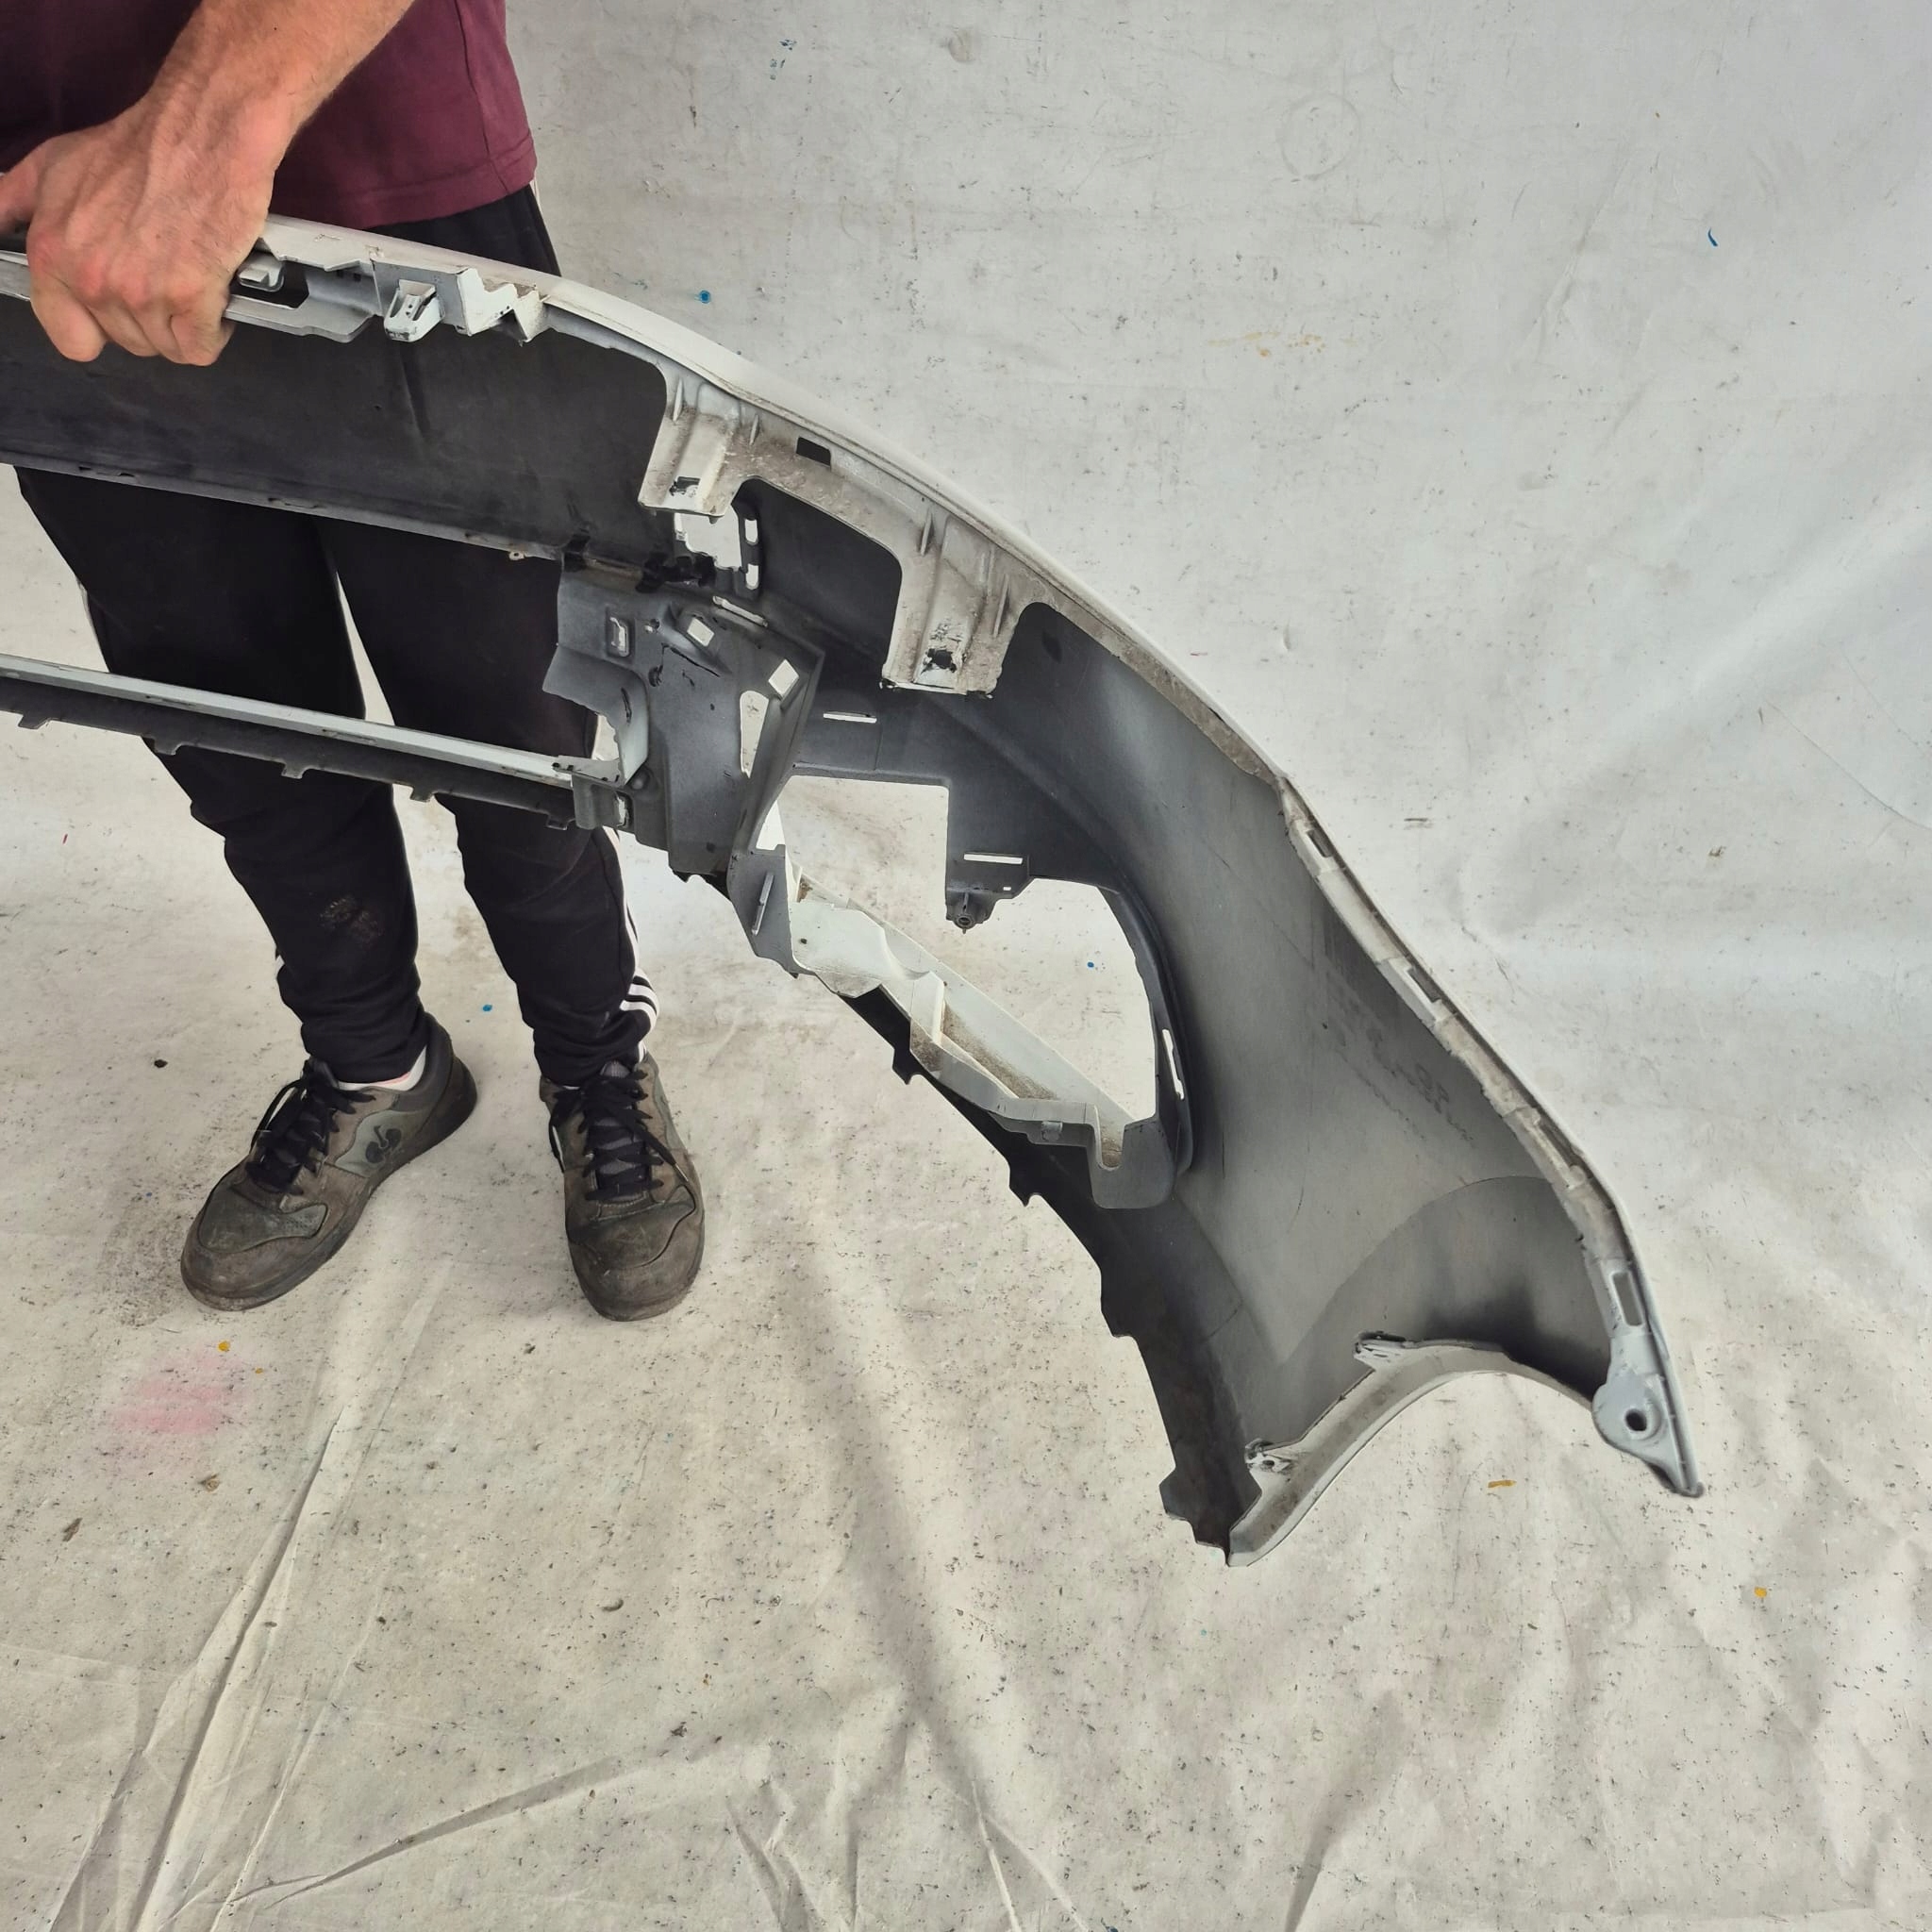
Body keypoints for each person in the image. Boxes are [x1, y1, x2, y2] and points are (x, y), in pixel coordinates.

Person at [0, 1, 706, 1319]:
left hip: (388, 178)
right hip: (53, 224)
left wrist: (201, 134)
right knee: (225, 712)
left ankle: (595, 1060)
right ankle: (379, 1067)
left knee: (513, 720)